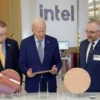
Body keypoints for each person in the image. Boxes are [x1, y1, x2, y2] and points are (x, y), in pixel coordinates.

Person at [19, 18, 62, 92]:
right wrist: (26, 72)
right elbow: (21, 63)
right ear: (32, 30)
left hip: (50, 85)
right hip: (32, 85)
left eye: (43, 30)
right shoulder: (25, 43)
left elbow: (58, 62)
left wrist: (56, 69)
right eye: (38, 31)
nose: (42, 34)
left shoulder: (53, 41)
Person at [0, 20, 22, 92]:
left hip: (11, 86)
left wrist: (18, 82)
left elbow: (18, 65)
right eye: (1, 35)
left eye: (6, 34)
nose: (4, 37)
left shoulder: (13, 44)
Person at [78, 20, 100, 92]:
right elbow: (80, 65)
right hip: (83, 88)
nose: (88, 34)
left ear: (99, 32)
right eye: (87, 31)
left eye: (91, 32)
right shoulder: (83, 44)